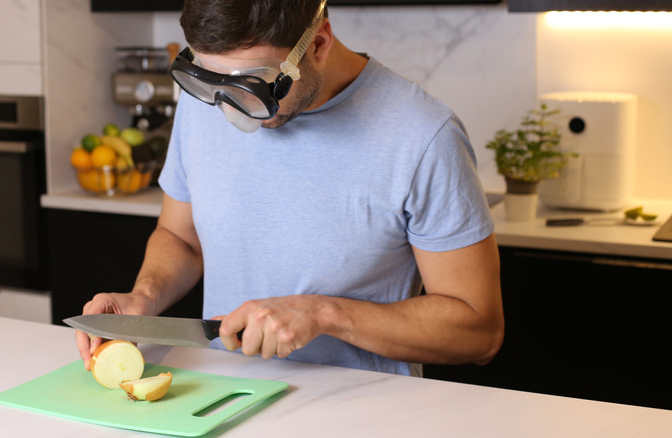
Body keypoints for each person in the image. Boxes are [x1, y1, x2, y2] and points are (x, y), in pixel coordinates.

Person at [76, 0, 503, 377]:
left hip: (362, 415)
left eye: (252, 85)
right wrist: (143, 297)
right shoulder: (206, 98)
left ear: (318, 43)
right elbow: (181, 238)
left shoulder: (424, 136)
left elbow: (479, 332)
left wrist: (326, 314)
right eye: (211, 81)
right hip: (219, 400)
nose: (230, 111)